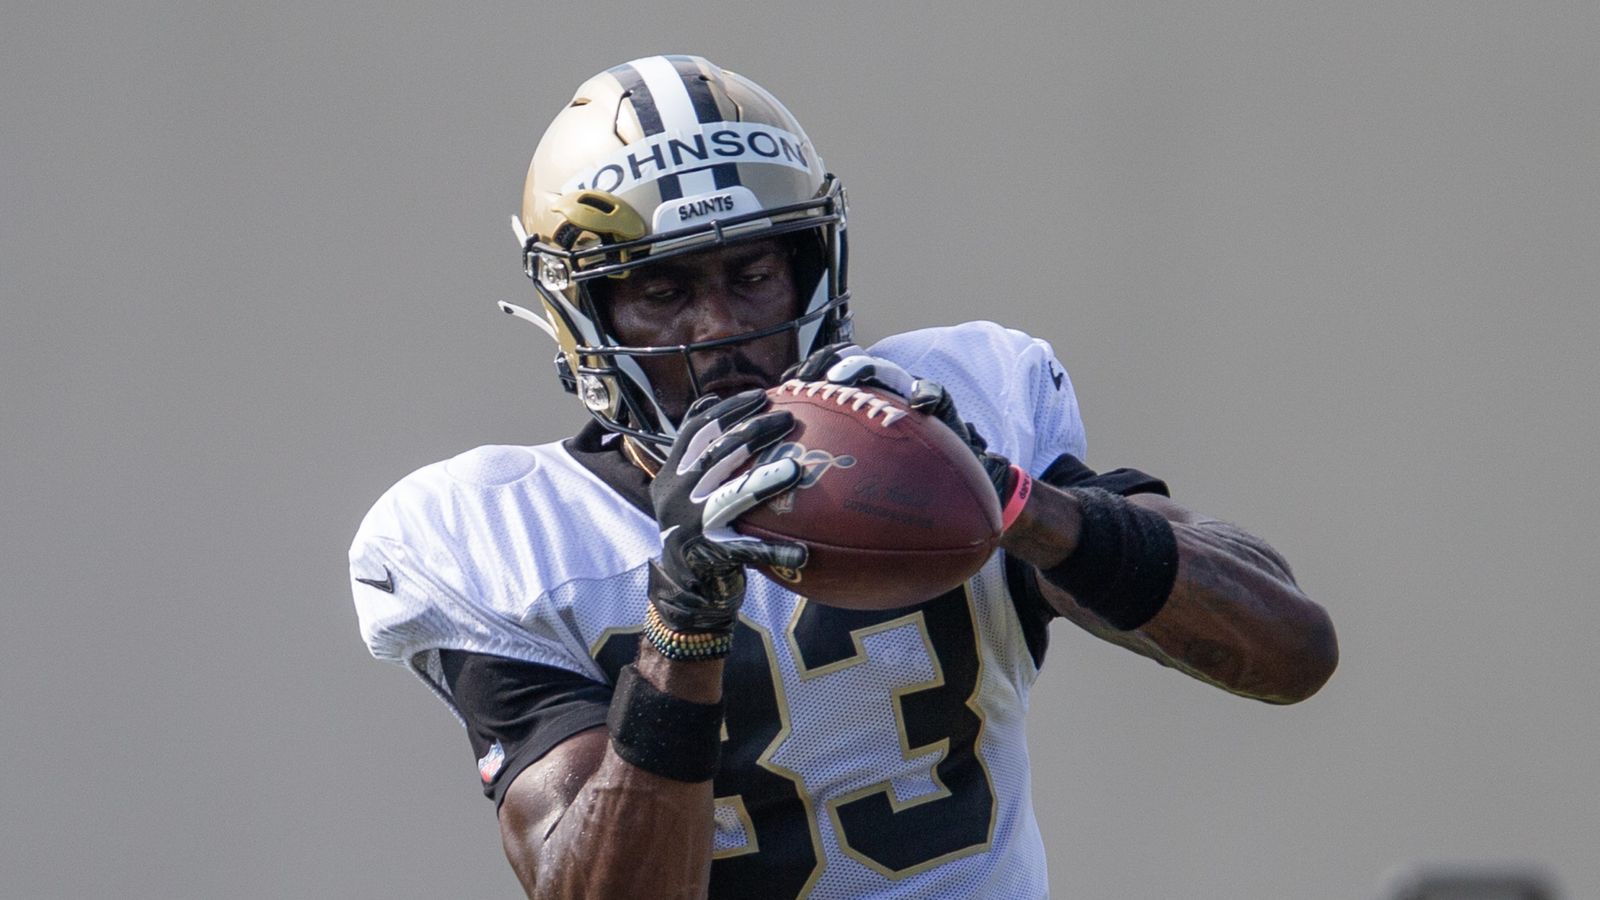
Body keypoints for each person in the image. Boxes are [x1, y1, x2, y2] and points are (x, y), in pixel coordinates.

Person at [349, 54, 1338, 899]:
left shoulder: (965, 400)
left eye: (751, 274)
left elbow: (1290, 653)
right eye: (661, 289)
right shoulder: (500, 535)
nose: (722, 329)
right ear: (585, 319)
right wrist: (685, 619)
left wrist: (1011, 499)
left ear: (811, 268)